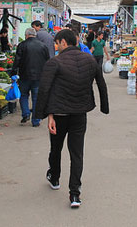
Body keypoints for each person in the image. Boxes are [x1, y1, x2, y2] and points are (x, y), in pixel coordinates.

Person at [34, 29, 109, 209]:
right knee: (77, 153)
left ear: (64, 43)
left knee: (56, 148)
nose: (55, 46)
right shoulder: (90, 60)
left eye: (57, 43)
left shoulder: (55, 62)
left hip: (59, 115)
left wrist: (43, 115)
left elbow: (45, 89)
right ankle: (75, 194)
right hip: (79, 114)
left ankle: (55, 177)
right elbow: (101, 83)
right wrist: (104, 106)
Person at [10, 28, 50, 127]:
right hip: (39, 76)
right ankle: (36, 121)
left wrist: (13, 73)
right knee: (36, 98)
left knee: (24, 95)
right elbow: (48, 61)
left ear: (26, 35)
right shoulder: (43, 46)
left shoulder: (22, 45)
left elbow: (17, 61)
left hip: (24, 75)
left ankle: (26, 113)